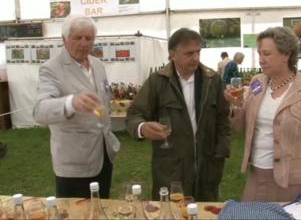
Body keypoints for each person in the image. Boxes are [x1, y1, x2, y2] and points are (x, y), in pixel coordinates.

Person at [126, 28, 231, 201]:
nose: (195, 57)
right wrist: (142, 128)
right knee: (171, 212)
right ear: (172, 54)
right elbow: (134, 115)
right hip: (171, 169)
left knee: (205, 211)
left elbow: (222, 118)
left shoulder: (213, 80)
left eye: (198, 52)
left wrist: (221, 151)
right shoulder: (157, 81)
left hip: (207, 166)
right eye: (189, 53)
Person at [225, 27, 301, 202]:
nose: (261, 60)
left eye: (266, 54)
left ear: (286, 54)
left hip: (290, 181)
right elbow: (239, 127)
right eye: (259, 54)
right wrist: (236, 106)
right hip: (256, 175)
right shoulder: (257, 82)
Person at [33, 15, 120, 199]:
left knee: (101, 208)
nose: (83, 43)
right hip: (74, 165)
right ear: (64, 39)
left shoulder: (98, 65)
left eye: (89, 38)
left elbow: (104, 99)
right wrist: (70, 102)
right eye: (77, 37)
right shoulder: (51, 69)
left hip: (103, 156)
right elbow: (40, 111)